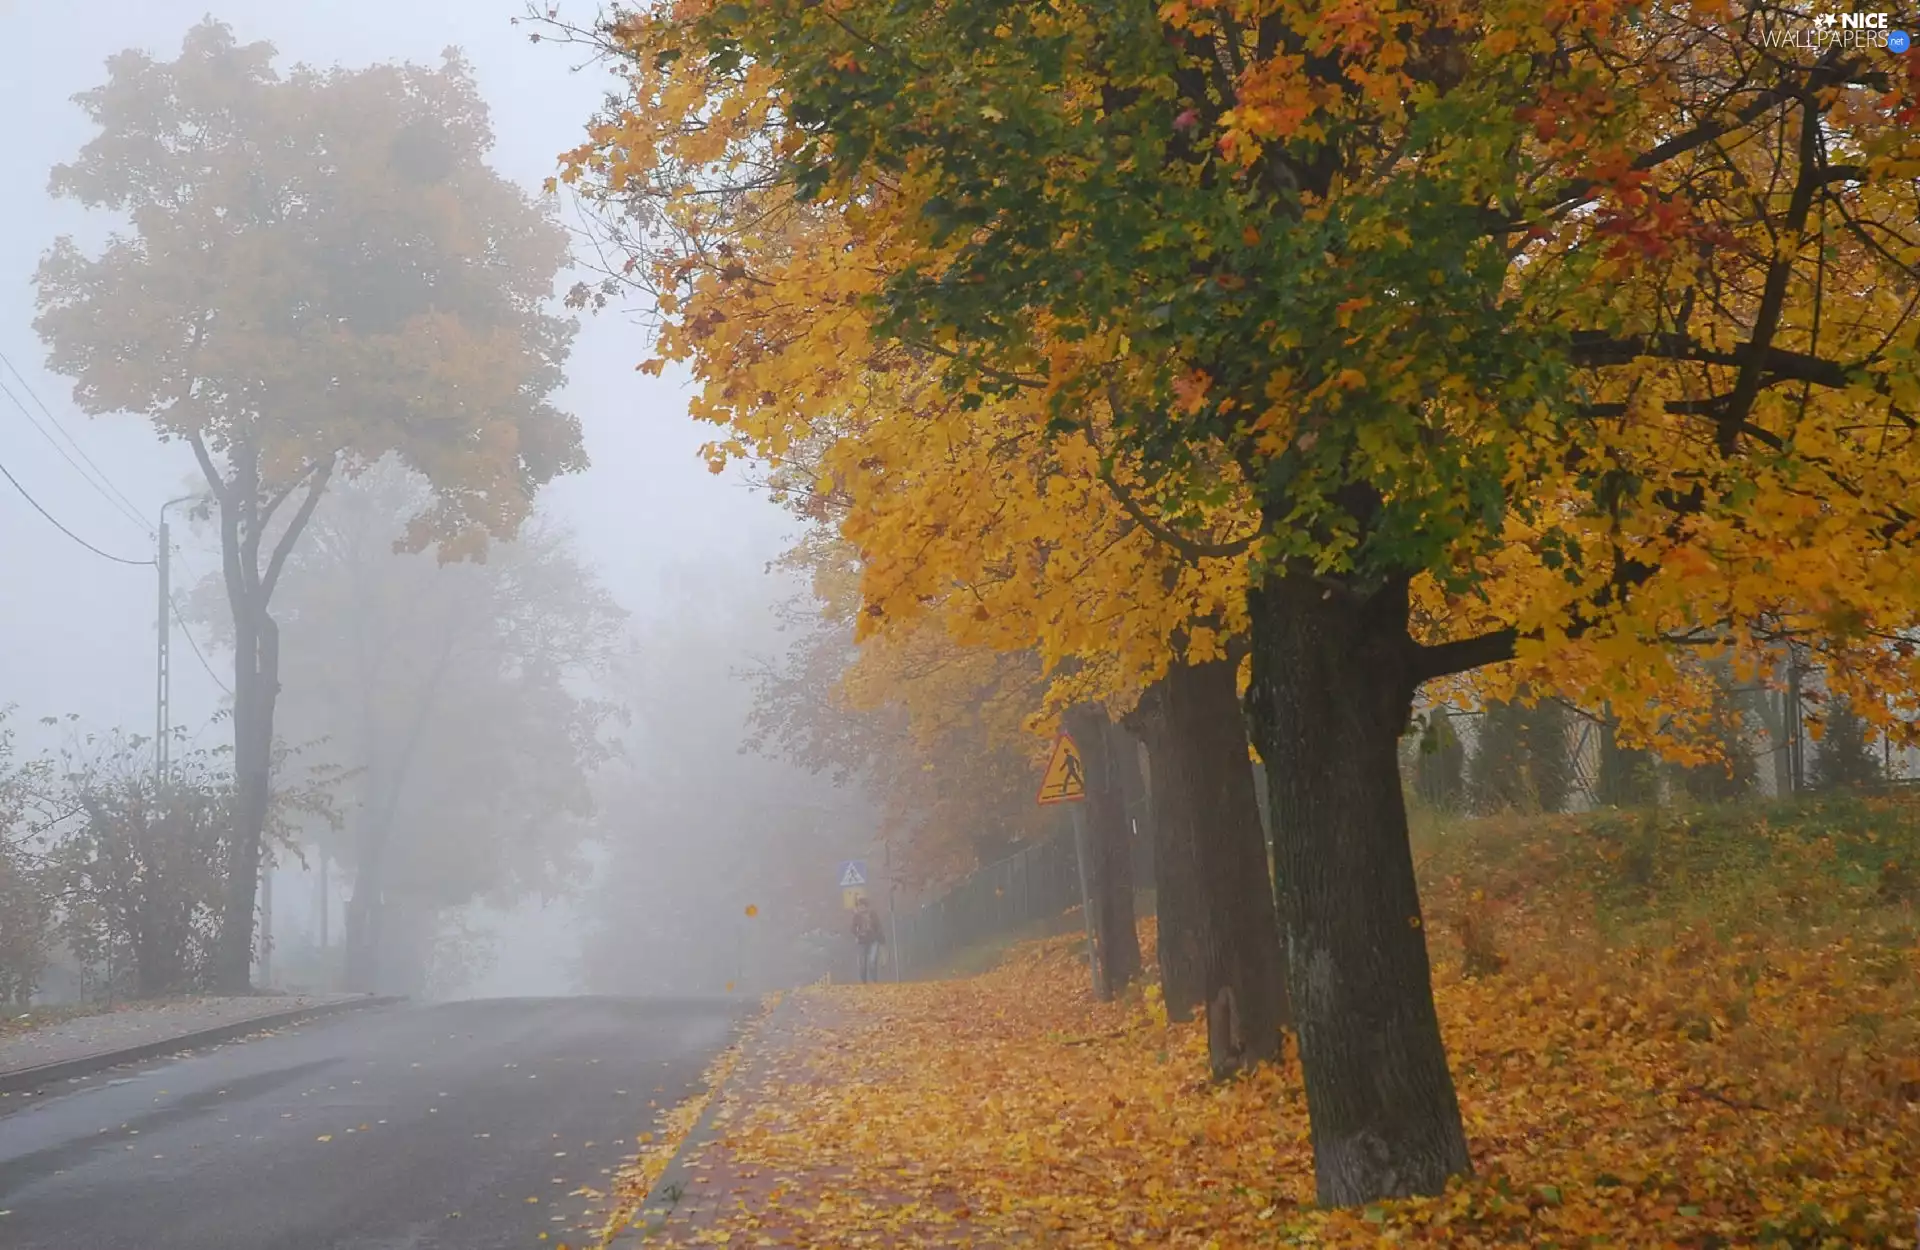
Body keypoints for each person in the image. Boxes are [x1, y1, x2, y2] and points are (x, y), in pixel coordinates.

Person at [851, 896, 883, 983]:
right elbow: (852, 929)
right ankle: (864, 982)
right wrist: (858, 934)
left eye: (862, 905)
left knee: (872, 961)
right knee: (862, 963)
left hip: (873, 941)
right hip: (861, 942)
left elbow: (878, 927)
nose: (861, 907)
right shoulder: (856, 916)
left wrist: (879, 939)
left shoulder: (873, 914)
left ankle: (874, 981)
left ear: (866, 906)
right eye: (859, 906)